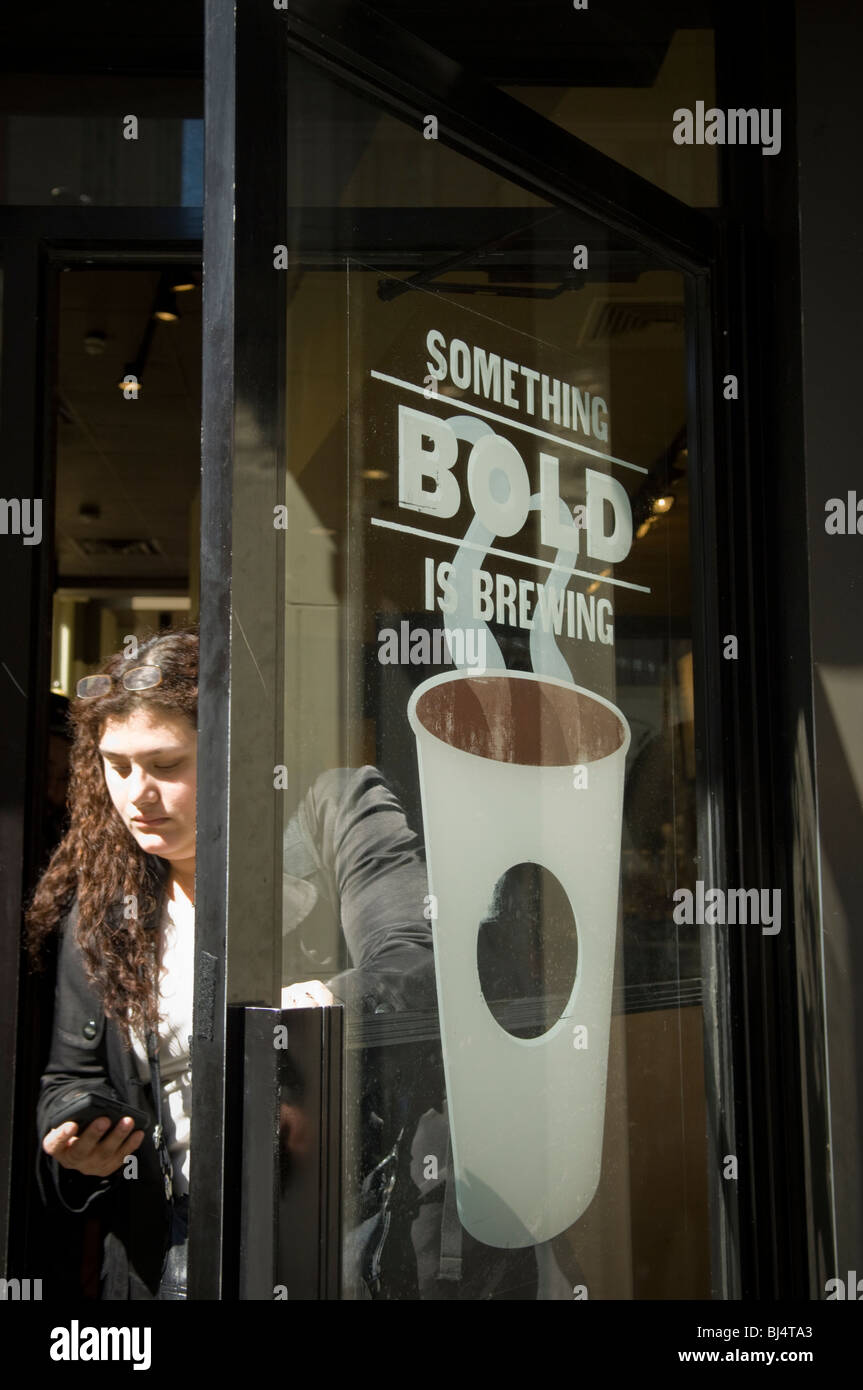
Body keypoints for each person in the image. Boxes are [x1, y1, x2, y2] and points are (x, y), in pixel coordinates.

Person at [27, 626, 435, 1300]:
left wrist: (320, 1006)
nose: (136, 795)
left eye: (165, 764)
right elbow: (65, 1078)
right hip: (174, 1250)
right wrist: (79, 1130)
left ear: (232, 749)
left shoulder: (333, 809)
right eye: (116, 764)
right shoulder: (108, 891)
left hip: (336, 1229)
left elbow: (415, 965)